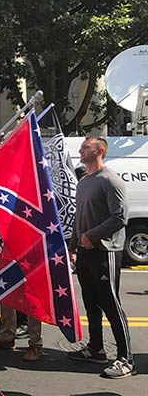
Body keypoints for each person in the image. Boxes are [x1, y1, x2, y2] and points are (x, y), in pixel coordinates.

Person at [67, 136, 134, 379]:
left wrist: (91, 237)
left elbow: (119, 218)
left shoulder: (110, 180)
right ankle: (96, 348)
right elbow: (79, 218)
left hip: (106, 251)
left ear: (100, 151)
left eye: (86, 146)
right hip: (85, 252)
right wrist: (74, 246)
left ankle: (126, 359)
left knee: (111, 304)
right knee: (91, 303)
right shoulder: (84, 181)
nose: (81, 150)